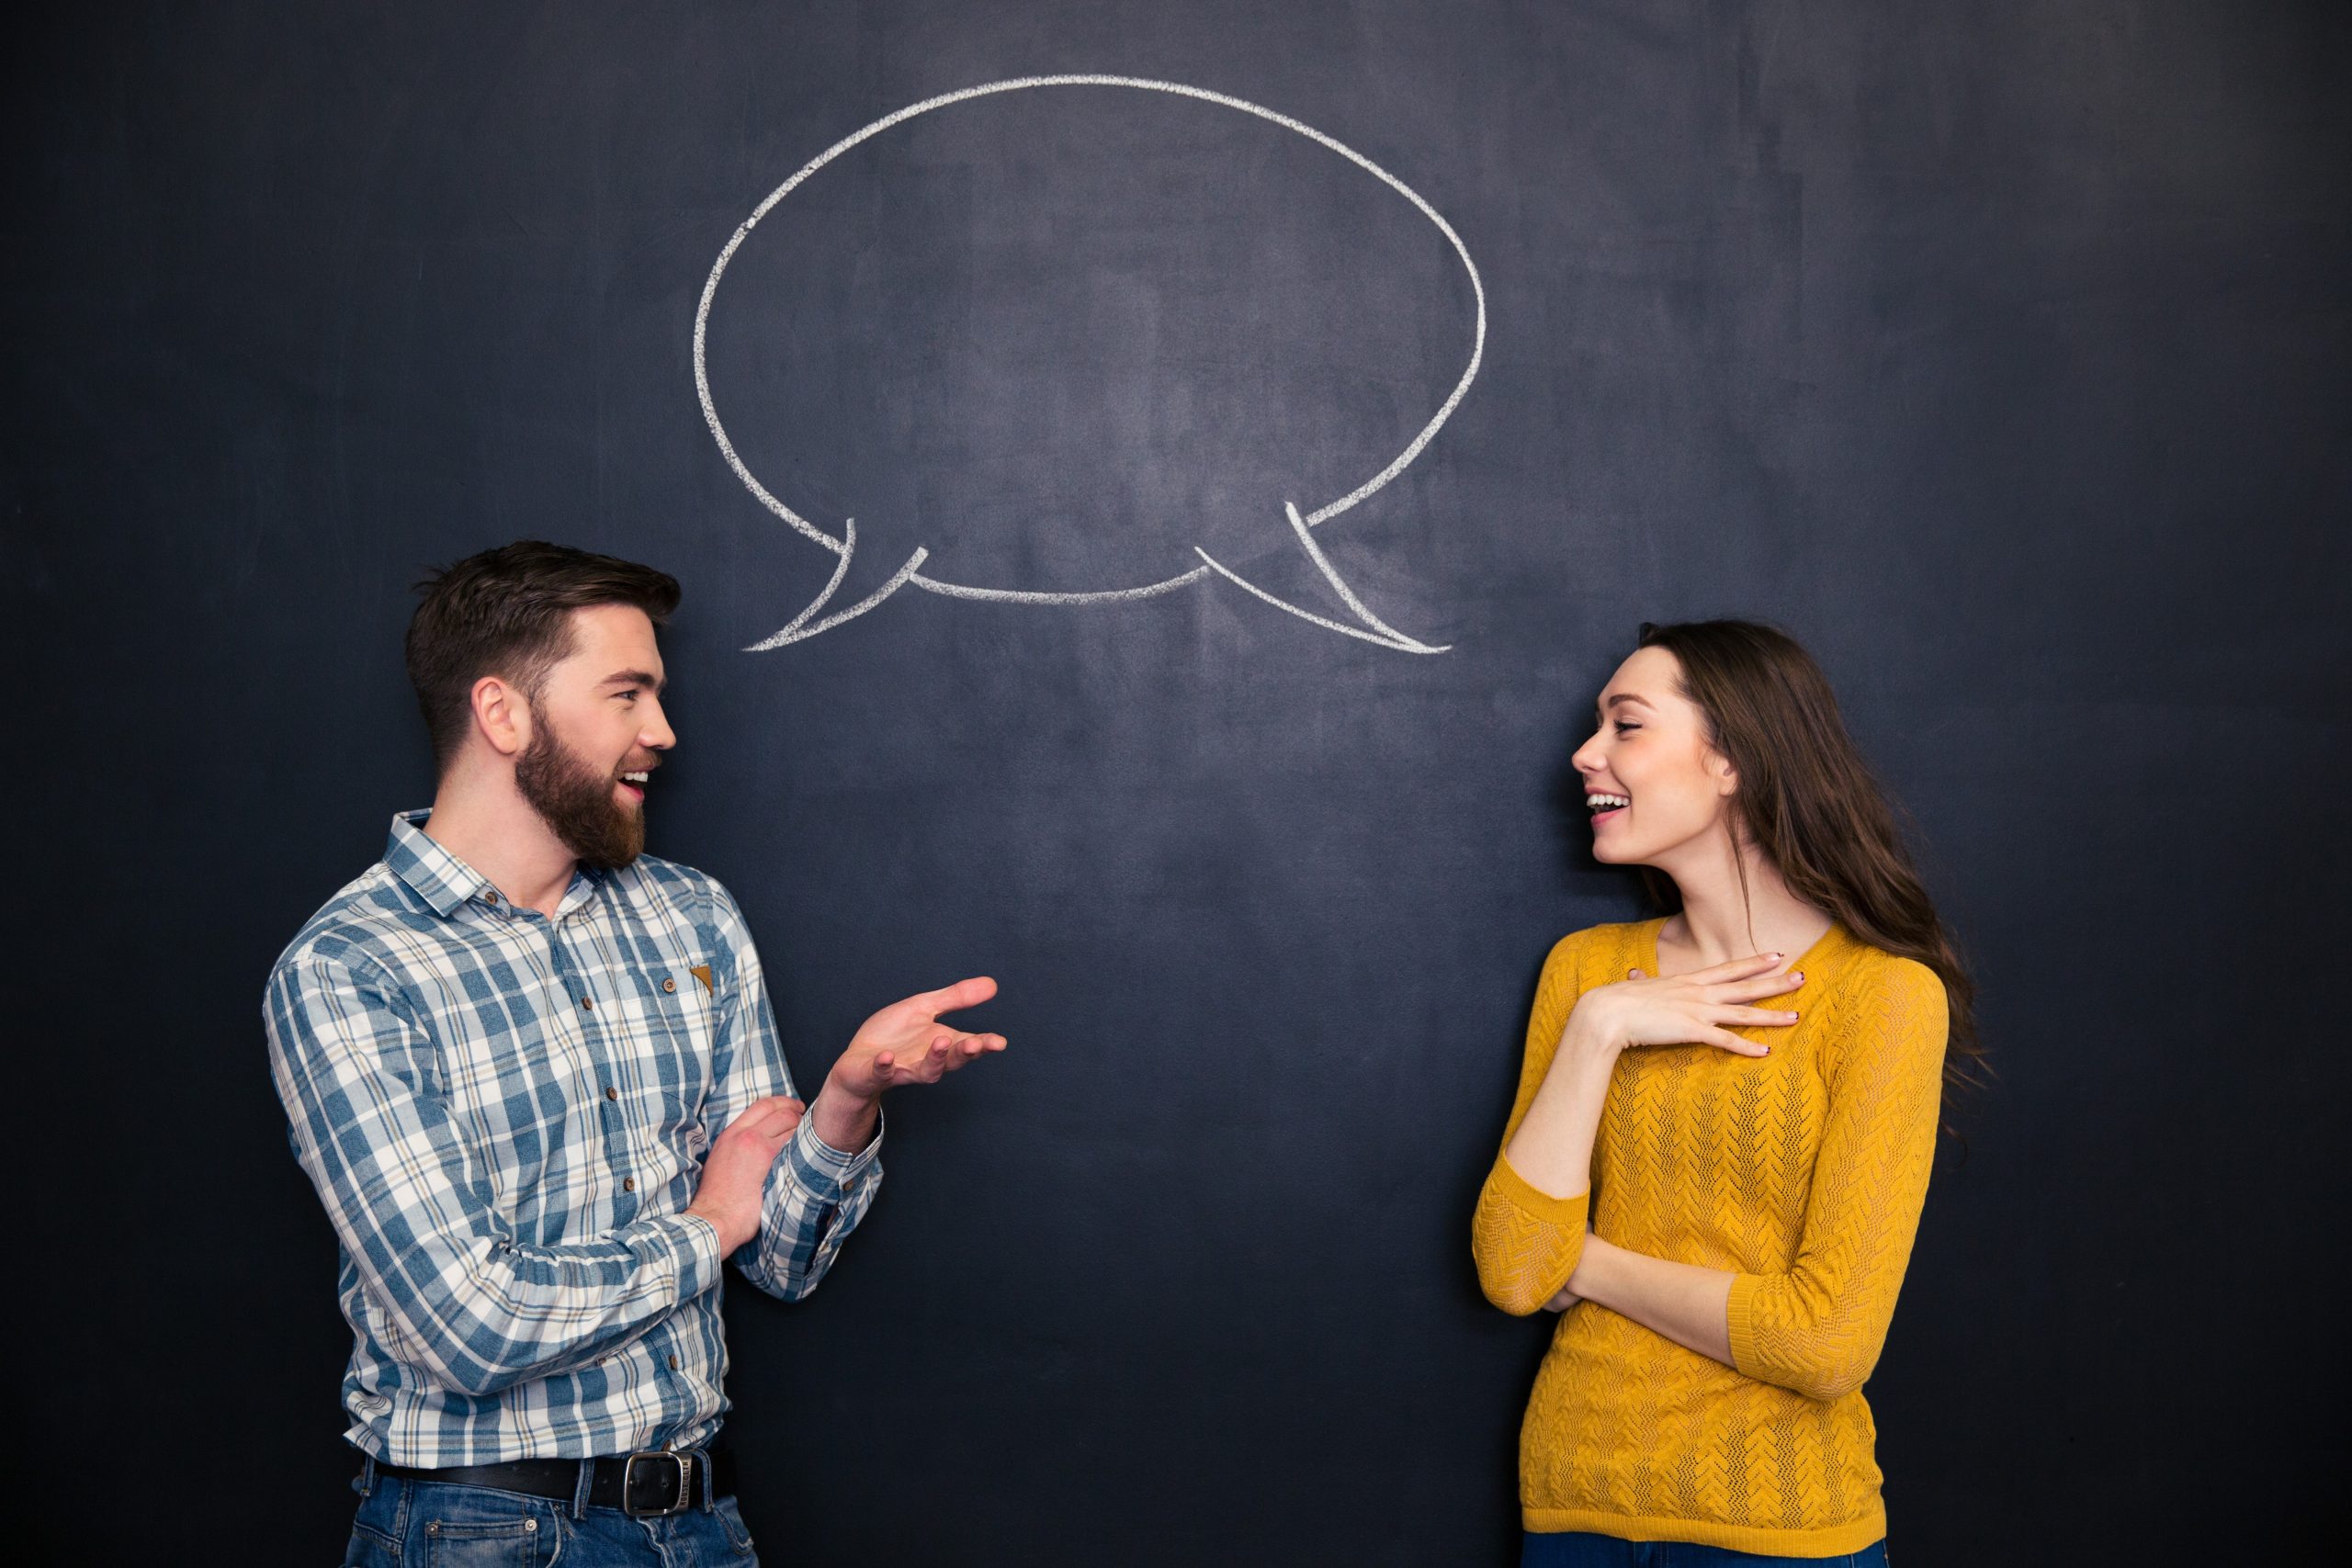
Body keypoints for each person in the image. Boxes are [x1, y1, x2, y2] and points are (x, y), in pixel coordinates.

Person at [265, 541, 1006, 1565]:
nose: (662, 732)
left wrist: (843, 1102)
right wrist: (703, 1228)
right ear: (502, 713)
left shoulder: (688, 917)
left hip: (699, 1525)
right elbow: (472, 1326)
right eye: (627, 693)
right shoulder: (352, 968)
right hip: (481, 1535)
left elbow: (781, 1260)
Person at [1472, 620, 1980, 1566]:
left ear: (1732, 761)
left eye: (1626, 726)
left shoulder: (1881, 997)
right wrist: (1600, 1030)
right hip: (1574, 1501)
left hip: (1781, 1528)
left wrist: (1582, 1267)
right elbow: (1509, 1271)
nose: (1583, 756)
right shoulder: (1586, 974)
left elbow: (1826, 1342)